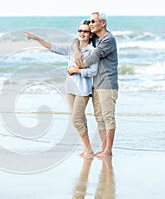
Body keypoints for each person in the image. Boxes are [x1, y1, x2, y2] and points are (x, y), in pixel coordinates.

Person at [25, 20, 98, 158]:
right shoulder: (72, 48)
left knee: (76, 120)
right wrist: (36, 38)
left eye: (85, 31)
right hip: (70, 88)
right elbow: (53, 47)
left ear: (90, 35)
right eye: (80, 30)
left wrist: (77, 70)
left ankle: (88, 150)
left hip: (83, 90)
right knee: (80, 119)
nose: (82, 33)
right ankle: (87, 149)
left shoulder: (93, 51)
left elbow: (93, 71)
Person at [73, 12, 119, 158]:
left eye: (94, 21)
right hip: (97, 84)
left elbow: (94, 57)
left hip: (107, 84)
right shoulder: (96, 39)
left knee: (108, 117)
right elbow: (76, 40)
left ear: (103, 23)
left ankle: (108, 150)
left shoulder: (108, 39)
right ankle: (104, 148)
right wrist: (76, 50)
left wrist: (79, 67)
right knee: (99, 117)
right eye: (90, 22)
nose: (91, 24)